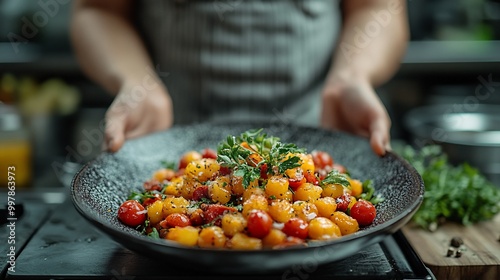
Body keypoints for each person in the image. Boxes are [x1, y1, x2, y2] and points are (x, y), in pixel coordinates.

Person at [70, 0, 409, 156]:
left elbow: (379, 7)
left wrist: (352, 76)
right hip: (167, 147)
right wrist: (134, 83)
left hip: (317, 141)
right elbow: (98, 9)